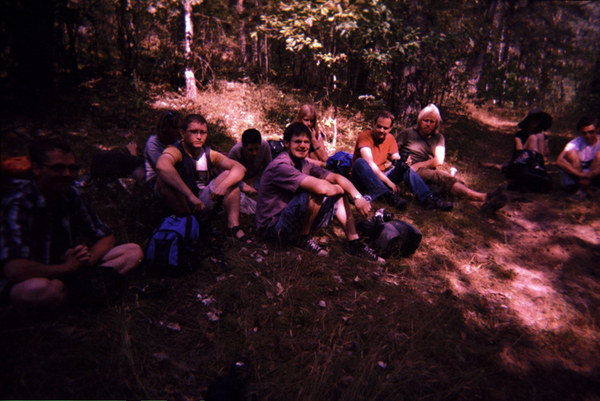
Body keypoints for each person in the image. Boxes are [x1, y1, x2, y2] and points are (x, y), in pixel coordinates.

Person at [0, 137, 143, 311]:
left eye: (72, 168)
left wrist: (86, 259)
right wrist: (65, 268)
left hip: (68, 271)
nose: (67, 174)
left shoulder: (71, 195)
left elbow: (106, 237)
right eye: (58, 168)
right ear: (37, 169)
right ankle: (86, 292)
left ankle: (75, 293)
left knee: (132, 251)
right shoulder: (18, 203)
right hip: (31, 278)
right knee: (37, 289)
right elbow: (14, 270)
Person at [256, 122, 383, 262]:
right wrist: (339, 188)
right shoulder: (281, 165)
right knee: (316, 190)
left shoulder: (303, 163)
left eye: (306, 142)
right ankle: (303, 238)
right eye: (297, 141)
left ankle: (355, 243)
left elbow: (336, 177)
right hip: (273, 229)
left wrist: (357, 197)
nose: (303, 146)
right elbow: (321, 188)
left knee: (336, 192)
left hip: (289, 219)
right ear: (286, 143)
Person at [156, 114, 251, 243]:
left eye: (203, 132)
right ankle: (188, 224)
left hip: (201, 202)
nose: (199, 137)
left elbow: (240, 168)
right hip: (181, 204)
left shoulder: (208, 154)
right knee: (163, 181)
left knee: (229, 176)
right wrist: (190, 196)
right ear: (183, 133)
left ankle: (233, 227)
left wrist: (223, 186)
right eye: (194, 132)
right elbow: (162, 165)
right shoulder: (175, 150)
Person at [396, 104, 508, 213]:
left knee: (444, 187)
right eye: (426, 120)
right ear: (420, 120)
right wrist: (402, 164)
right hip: (409, 169)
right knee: (443, 177)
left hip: (424, 170)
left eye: (432, 122)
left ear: (436, 124)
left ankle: (481, 204)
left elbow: (439, 160)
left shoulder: (438, 137)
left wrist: (419, 165)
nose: (428, 124)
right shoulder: (407, 133)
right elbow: (393, 150)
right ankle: (483, 197)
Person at [350, 110, 453, 211]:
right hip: (362, 179)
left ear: (390, 128)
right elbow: (370, 163)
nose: (381, 130)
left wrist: (404, 162)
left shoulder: (390, 139)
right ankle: (388, 195)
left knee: (404, 167)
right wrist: (389, 182)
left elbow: (396, 158)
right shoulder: (365, 136)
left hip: (380, 178)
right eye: (379, 126)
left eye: (385, 128)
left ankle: (428, 199)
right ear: (374, 125)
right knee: (360, 162)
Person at [556, 116, 600, 197]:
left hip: (595, 174)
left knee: (599, 155)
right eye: (584, 133)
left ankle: (586, 187)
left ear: (598, 130)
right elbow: (559, 160)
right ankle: (584, 188)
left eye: (591, 132)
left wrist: (591, 174)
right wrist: (579, 175)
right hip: (578, 174)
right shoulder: (575, 142)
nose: (588, 136)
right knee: (571, 153)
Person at [228, 128, 272, 195]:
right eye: (250, 150)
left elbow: (269, 169)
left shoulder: (265, 146)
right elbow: (228, 175)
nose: (254, 153)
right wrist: (244, 185)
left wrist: (254, 181)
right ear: (244, 147)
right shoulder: (235, 152)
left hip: (257, 177)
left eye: (257, 149)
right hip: (240, 179)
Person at [144, 110, 183, 184]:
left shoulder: (177, 142)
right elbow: (162, 168)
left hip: (176, 176)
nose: (179, 131)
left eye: (180, 128)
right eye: (175, 128)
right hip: (156, 179)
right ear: (166, 128)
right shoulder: (153, 143)